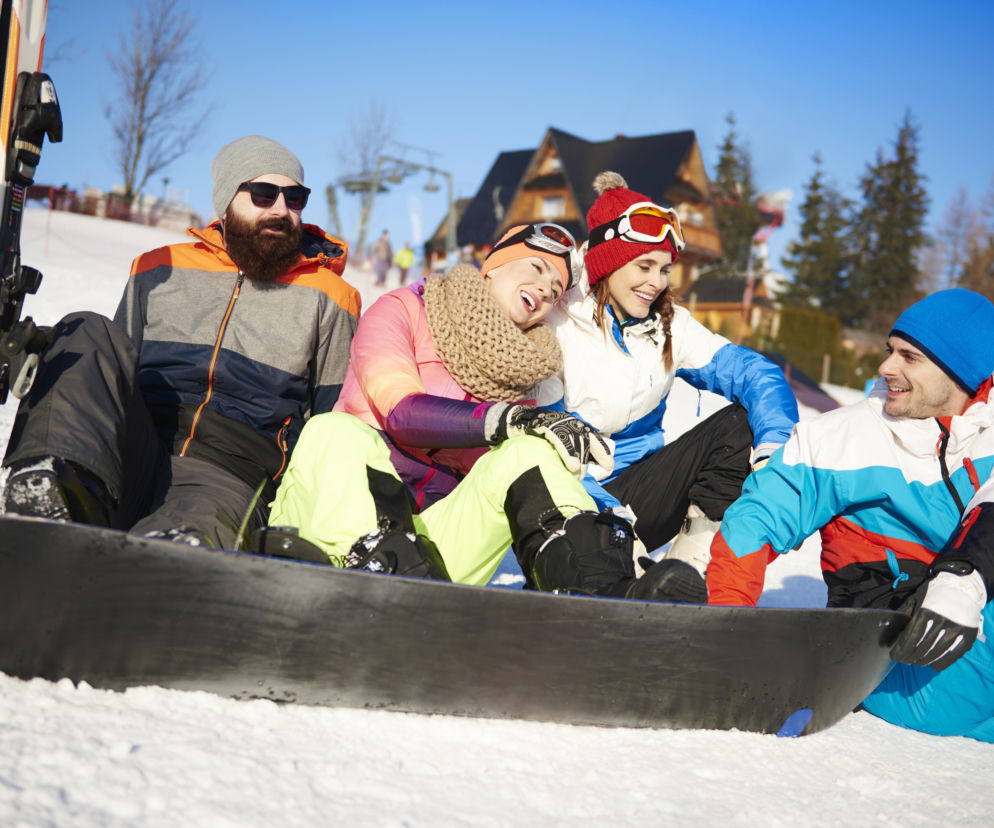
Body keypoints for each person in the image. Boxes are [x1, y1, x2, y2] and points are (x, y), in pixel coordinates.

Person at [266, 223, 686, 597]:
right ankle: (378, 577)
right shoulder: (404, 309)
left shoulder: (525, 377)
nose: (545, 289)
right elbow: (400, 412)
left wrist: (527, 428)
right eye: (536, 268)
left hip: (426, 560)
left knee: (530, 454)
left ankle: (594, 587)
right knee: (335, 431)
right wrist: (506, 420)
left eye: (556, 288)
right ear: (494, 267)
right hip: (339, 532)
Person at [1, 135, 360, 549]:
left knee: (180, 540)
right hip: (135, 446)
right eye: (263, 194)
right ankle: (54, 485)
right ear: (226, 201)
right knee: (85, 329)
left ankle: (169, 563)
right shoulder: (159, 268)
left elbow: (332, 422)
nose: (281, 209)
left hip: (231, 472)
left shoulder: (331, 297)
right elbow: (111, 373)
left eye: (295, 198)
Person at [707, 289, 994, 743]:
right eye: (890, 351)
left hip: (971, 620)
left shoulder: (988, 436)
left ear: (961, 376)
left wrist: (965, 583)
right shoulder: (845, 437)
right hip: (891, 647)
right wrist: (727, 617)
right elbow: (757, 518)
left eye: (910, 357)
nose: (886, 367)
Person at [537, 172, 799, 601]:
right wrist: (612, 521)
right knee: (568, 496)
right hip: (569, 501)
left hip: (640, 493)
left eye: (664, 269)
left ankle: (686, 578)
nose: (656, 282)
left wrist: (774, 448)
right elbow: (547, 447)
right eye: (644, 266)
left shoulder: (667, 322)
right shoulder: (559, 322)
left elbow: (755, 373)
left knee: (740, 426)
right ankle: (615, 575)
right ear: (608, 262)